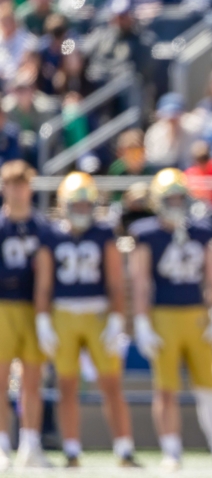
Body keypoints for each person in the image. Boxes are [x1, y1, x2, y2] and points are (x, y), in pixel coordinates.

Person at [32, 172, 139, 468]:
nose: (81, 210)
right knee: (66, 384)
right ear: (64, 204)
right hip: (64, 313)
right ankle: (71, 449)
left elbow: (116, 281)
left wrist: (118, 319)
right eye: (75, 204)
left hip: (97, 313)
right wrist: (42, 320)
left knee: (111, 383)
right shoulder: (51, 234)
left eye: (85, 204)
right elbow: (43, 283)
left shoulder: (103, 232)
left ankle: (124, 448)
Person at [129, 168, 212, 470]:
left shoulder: (200, 230)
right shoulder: (146, 233)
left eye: (179, 197)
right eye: (169, 198)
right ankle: (171, 450)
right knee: (165, 388)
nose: (175, 203)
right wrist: (142, 321)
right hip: (164, 316)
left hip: (197, 314)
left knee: (209, 385)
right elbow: (141, 281)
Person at [0, 160, 51, 468]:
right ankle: (2, 443)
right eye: (12, 185)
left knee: (33, 380)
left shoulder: (41, 228)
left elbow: (45, 277)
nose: (18, 192)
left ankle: (30, 443)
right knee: (1, 379)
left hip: (34, 307)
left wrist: (44, 316)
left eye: (23, 185)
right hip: (3, 305)